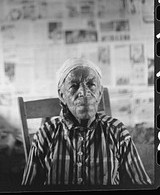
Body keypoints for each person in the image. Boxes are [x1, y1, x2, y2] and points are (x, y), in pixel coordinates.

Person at [22, 57, 152, 188]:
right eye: (73, 86)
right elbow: (28, 189)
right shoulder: (46, 135)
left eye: (91, 85)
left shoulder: (117, 131)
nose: (84, 93)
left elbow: (141, 185)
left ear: (100, 93)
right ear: (62, 96)